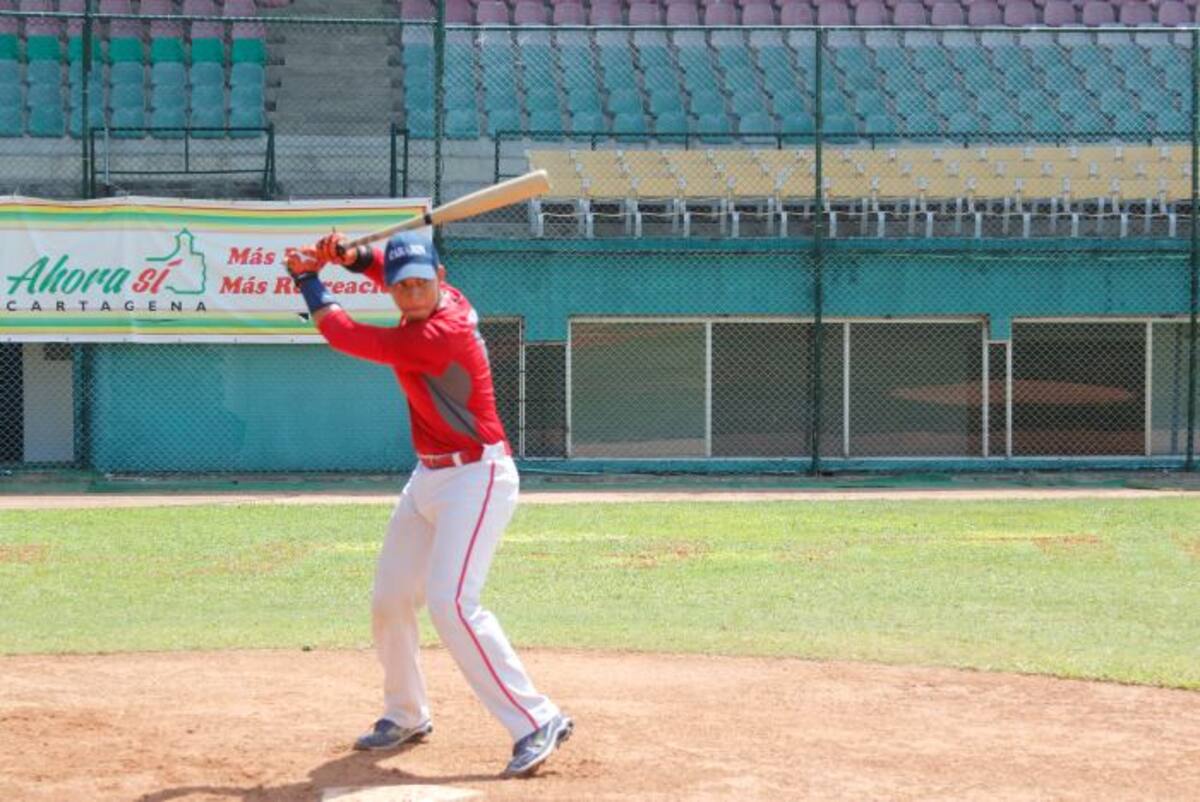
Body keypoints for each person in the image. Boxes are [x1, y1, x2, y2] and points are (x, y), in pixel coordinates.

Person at [284, 228, 573, 778]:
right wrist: (354, 257)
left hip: (478, 476)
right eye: (401, 286)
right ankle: (407, 713)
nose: (412, 293)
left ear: (440, 281)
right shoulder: (445, 296)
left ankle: (536, 719)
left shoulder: (439, 333)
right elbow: (387, 268)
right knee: (391, 600)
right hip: (429, 477)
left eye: (422, 283)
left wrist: (308, 279)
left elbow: (344, 334)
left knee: (452, 602)